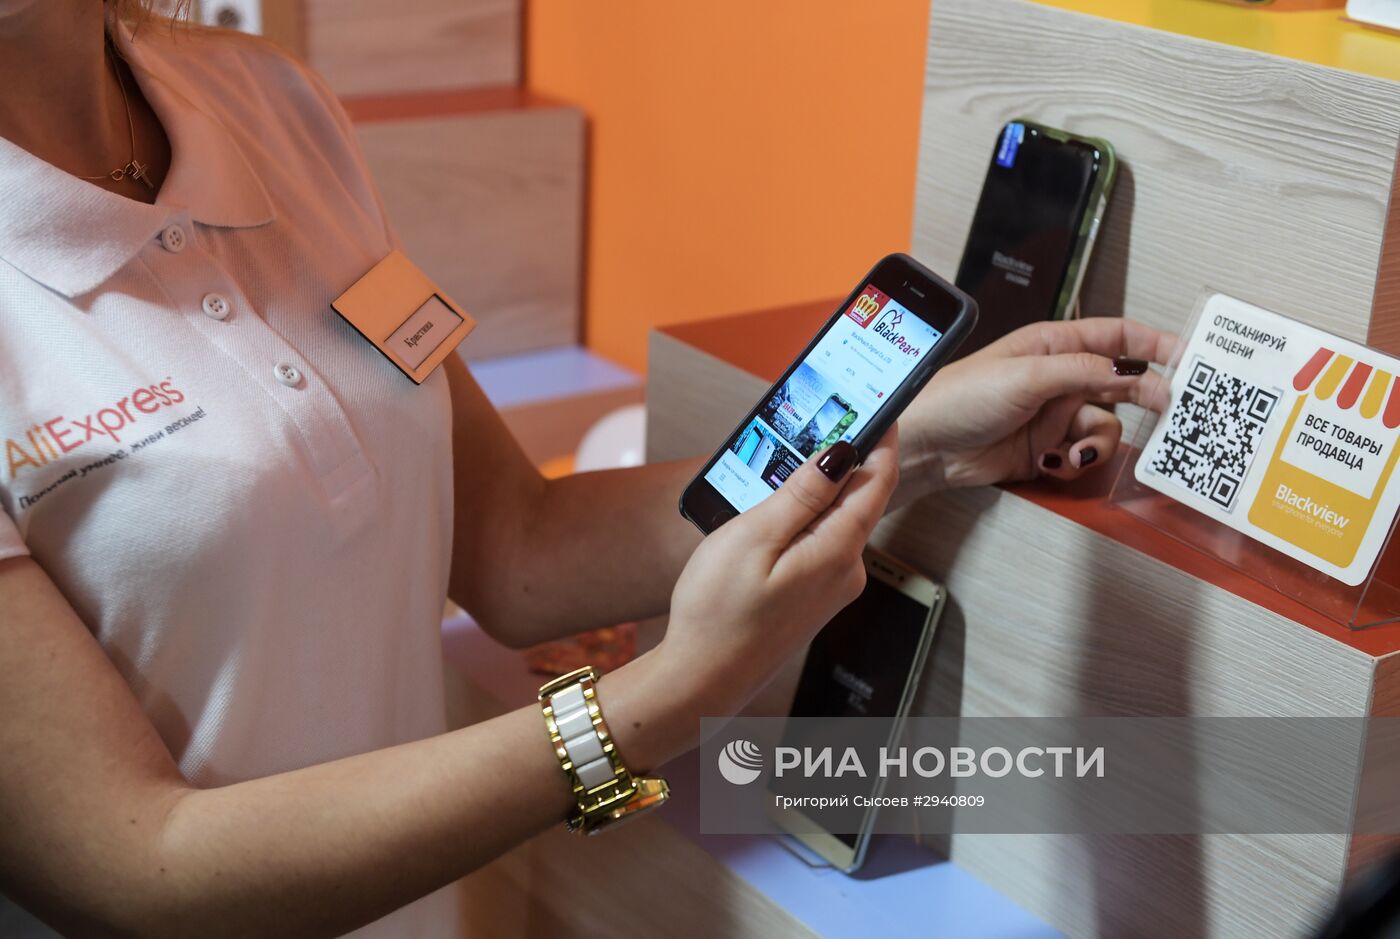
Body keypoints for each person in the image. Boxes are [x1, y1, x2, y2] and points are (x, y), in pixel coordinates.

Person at [0, 1, 1174, 935]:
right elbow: (137, 872)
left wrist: (907, 438)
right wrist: (668, 700)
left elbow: (517, 548)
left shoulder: (269, 104)